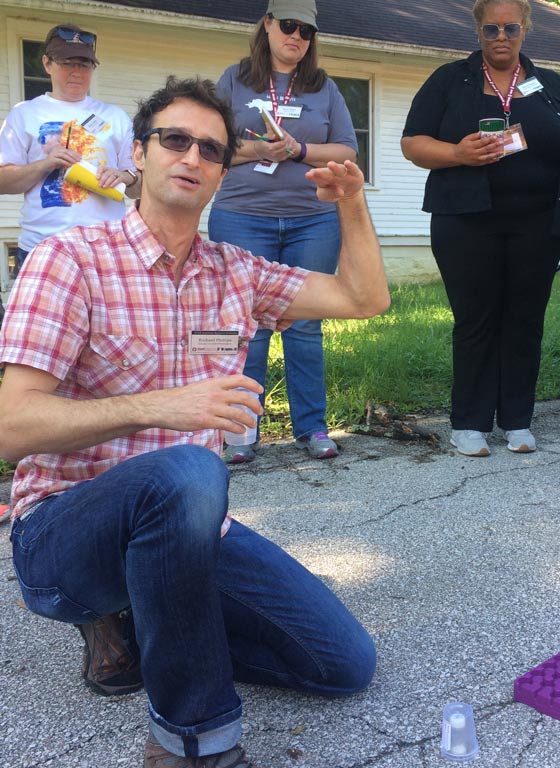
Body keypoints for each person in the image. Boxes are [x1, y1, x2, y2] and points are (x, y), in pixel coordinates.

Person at [0, 75, 388, 768]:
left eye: (211, 149)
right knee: (187, 465)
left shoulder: (235, 273)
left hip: (189, 527)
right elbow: (11, 426)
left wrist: (352, 205)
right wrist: (164, 407)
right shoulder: (70, 261)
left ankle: (153, 621)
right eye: (174, 139)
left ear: (221, 172)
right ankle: (194, 741)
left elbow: (364, 298)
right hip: (65, 537)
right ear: (140, 154)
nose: (192, 156)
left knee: (344, 664)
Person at [401, 0, 560, 458]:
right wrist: (457, 154)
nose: (501, 37)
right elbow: (412, 143)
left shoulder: (553, 86)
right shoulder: (450, 80)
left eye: (510, 28)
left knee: (525, 321)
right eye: (491, 30)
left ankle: (517, 420)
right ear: (478, 32)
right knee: (475, 321)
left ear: (525, 29)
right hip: (466, 221)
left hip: (539, 224)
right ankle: (468, 422)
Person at [208, 0, 358, 464]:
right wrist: (256, 148)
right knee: (244, 325)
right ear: (268, 25)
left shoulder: (323, 86)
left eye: (306, 31)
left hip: (311, 219)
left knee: (306, 325)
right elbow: (212, 148)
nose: (296, 37)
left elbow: (348, 149)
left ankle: (312, 428)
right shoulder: (233, 80)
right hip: (241, 214)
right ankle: (239, 432)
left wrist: (300, 149)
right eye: (288, 26)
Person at [0, 23, 139, 270]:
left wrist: (125, 177)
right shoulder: (24, 114)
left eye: (84, 64)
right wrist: (45, 164)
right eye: (66, 62)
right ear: (47, 64)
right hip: (43, 248)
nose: (76, 71)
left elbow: (137, 188)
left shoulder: (115, 116)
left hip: (107, 251)